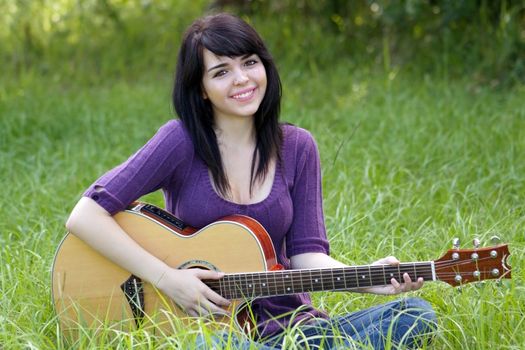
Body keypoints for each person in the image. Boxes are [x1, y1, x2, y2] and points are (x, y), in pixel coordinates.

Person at [66, 13, 437, 349]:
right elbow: (85, 215)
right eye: (221, 71)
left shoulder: (298, 147)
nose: (242, 79)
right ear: (200, 88)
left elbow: (308, 257)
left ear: (265, 68)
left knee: (415, 314)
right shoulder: (179, 141)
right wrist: (167, 279)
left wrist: (373, 279)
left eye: (249, 63)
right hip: (210, 332)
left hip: (292, 328)